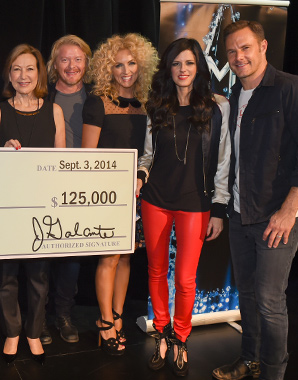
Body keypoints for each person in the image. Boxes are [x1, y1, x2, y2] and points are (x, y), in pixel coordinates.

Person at [136, 38, 230, 376]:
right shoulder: (156, 104)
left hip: (196, 203)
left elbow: (222, 161)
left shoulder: (219, 106)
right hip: (156, 199)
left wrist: (219, 207)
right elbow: (147, 154)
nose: (182, 70)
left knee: (186, 279)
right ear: (168, 68)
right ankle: (161, 331)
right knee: (157, 271)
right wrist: (141, 175)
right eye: (176, 64)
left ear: (198, 67)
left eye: (188, 63)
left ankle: (181, 337)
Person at [212, 20, 298, 380]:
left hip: (276, 216)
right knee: (246, 295)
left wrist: (290, 208)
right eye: (231, 51)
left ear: (263, 47)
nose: (238, 56)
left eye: (245, 48)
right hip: (239, 213)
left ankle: (274, 374)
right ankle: (250, 360)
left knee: (269, 301)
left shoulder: (288, 88)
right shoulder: (233, 97)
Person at [0, 43, 66, 365]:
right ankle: (12, 332)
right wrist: (2, 152)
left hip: (43, 208)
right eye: (16, 69)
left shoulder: (55, 111)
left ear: (40, 73)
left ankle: (34, 332)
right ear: (9, 74)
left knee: (38, 276)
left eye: (30, 68)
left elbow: (62, 164)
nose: (23, 75)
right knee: (6, 276)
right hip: (6, 207)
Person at [81, 33, 159, 355]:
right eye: (118, 65)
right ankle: (103, 322)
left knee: (127, 256)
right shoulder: (97, 101)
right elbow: (86, 156)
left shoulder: (149, 105)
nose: (126, 70)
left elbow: (152, 152)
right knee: (109, 257)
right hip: (105, 195)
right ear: (107, 69)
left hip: (138, 194)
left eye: (131, 64)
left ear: (142, 66)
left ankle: (117, 316)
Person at [41, 34, 93, 344]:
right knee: (41, 256)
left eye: (77, 59)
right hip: (44, 186)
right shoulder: (40, 95)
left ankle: (63, 314)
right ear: (53, 64)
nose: (71, 65)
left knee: (72, 258)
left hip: (82, 190)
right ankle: (39, 318)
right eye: (64, 59)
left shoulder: (98, 97)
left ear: (87, 63)